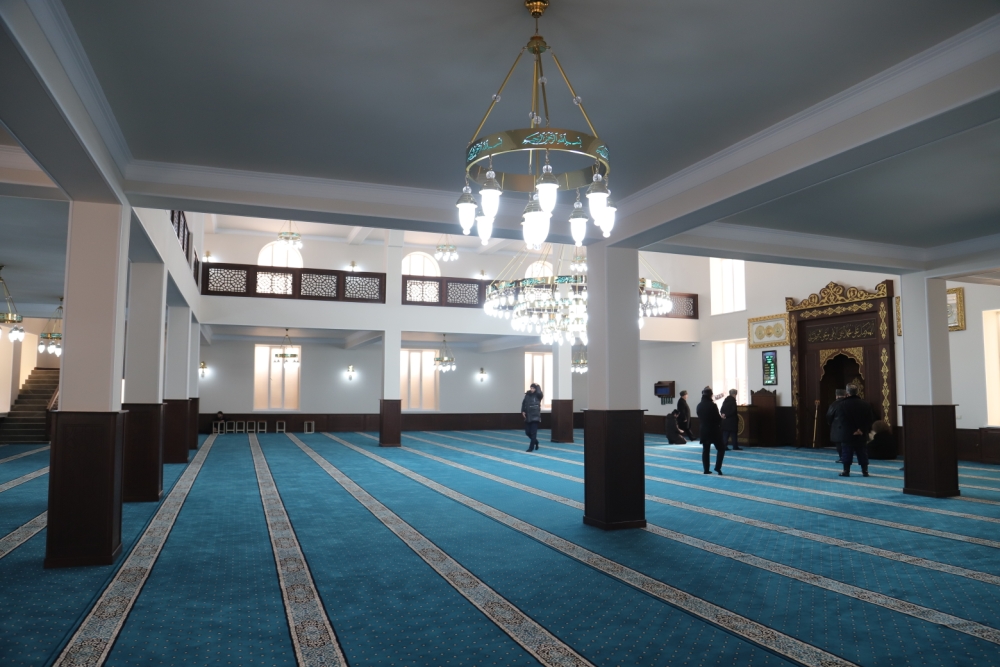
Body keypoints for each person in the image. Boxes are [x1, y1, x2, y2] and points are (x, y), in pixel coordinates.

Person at [837, 384, 875, 476]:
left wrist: (853, 430)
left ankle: (846, 471)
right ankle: (865, 471)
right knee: (862, 452)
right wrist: (861, 430)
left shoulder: (842, 404)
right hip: (861, 434)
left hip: (848, 433)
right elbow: (870, 419)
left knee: (847, 452)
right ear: (857, 392)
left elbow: (842, 420)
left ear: (847, 392)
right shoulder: (866, 404)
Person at [696, 387, 725, 474]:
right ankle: (717, 467)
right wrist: (722, 418)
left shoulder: (699, 405)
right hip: (714, 430)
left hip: (703, 430)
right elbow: (717, 419)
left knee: (706, 450)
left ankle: (706, 470)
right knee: (721, 448)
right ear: (710, 395)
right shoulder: (712, 405)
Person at [824, 389, 847, 463]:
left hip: (837, 427)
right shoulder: (849, 403)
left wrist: (830, 423)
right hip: (849, 427)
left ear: (837, 396)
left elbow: (829, 415)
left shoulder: (834, 404)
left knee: (839, 443)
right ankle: (847, 457)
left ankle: (842, 457)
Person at [521, 383, 543, 452]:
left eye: (533, 388)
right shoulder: (527, 395)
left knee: (533, 433)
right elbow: (523, 403)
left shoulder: (538, 395)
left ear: (536, 389)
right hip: (528, 416)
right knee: (527, 432)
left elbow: (540, 393)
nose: (532, 389)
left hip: (535, 417)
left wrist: (537, 386)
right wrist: (523, 411)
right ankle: (536, 442)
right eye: (531, 388)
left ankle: (531, 448)